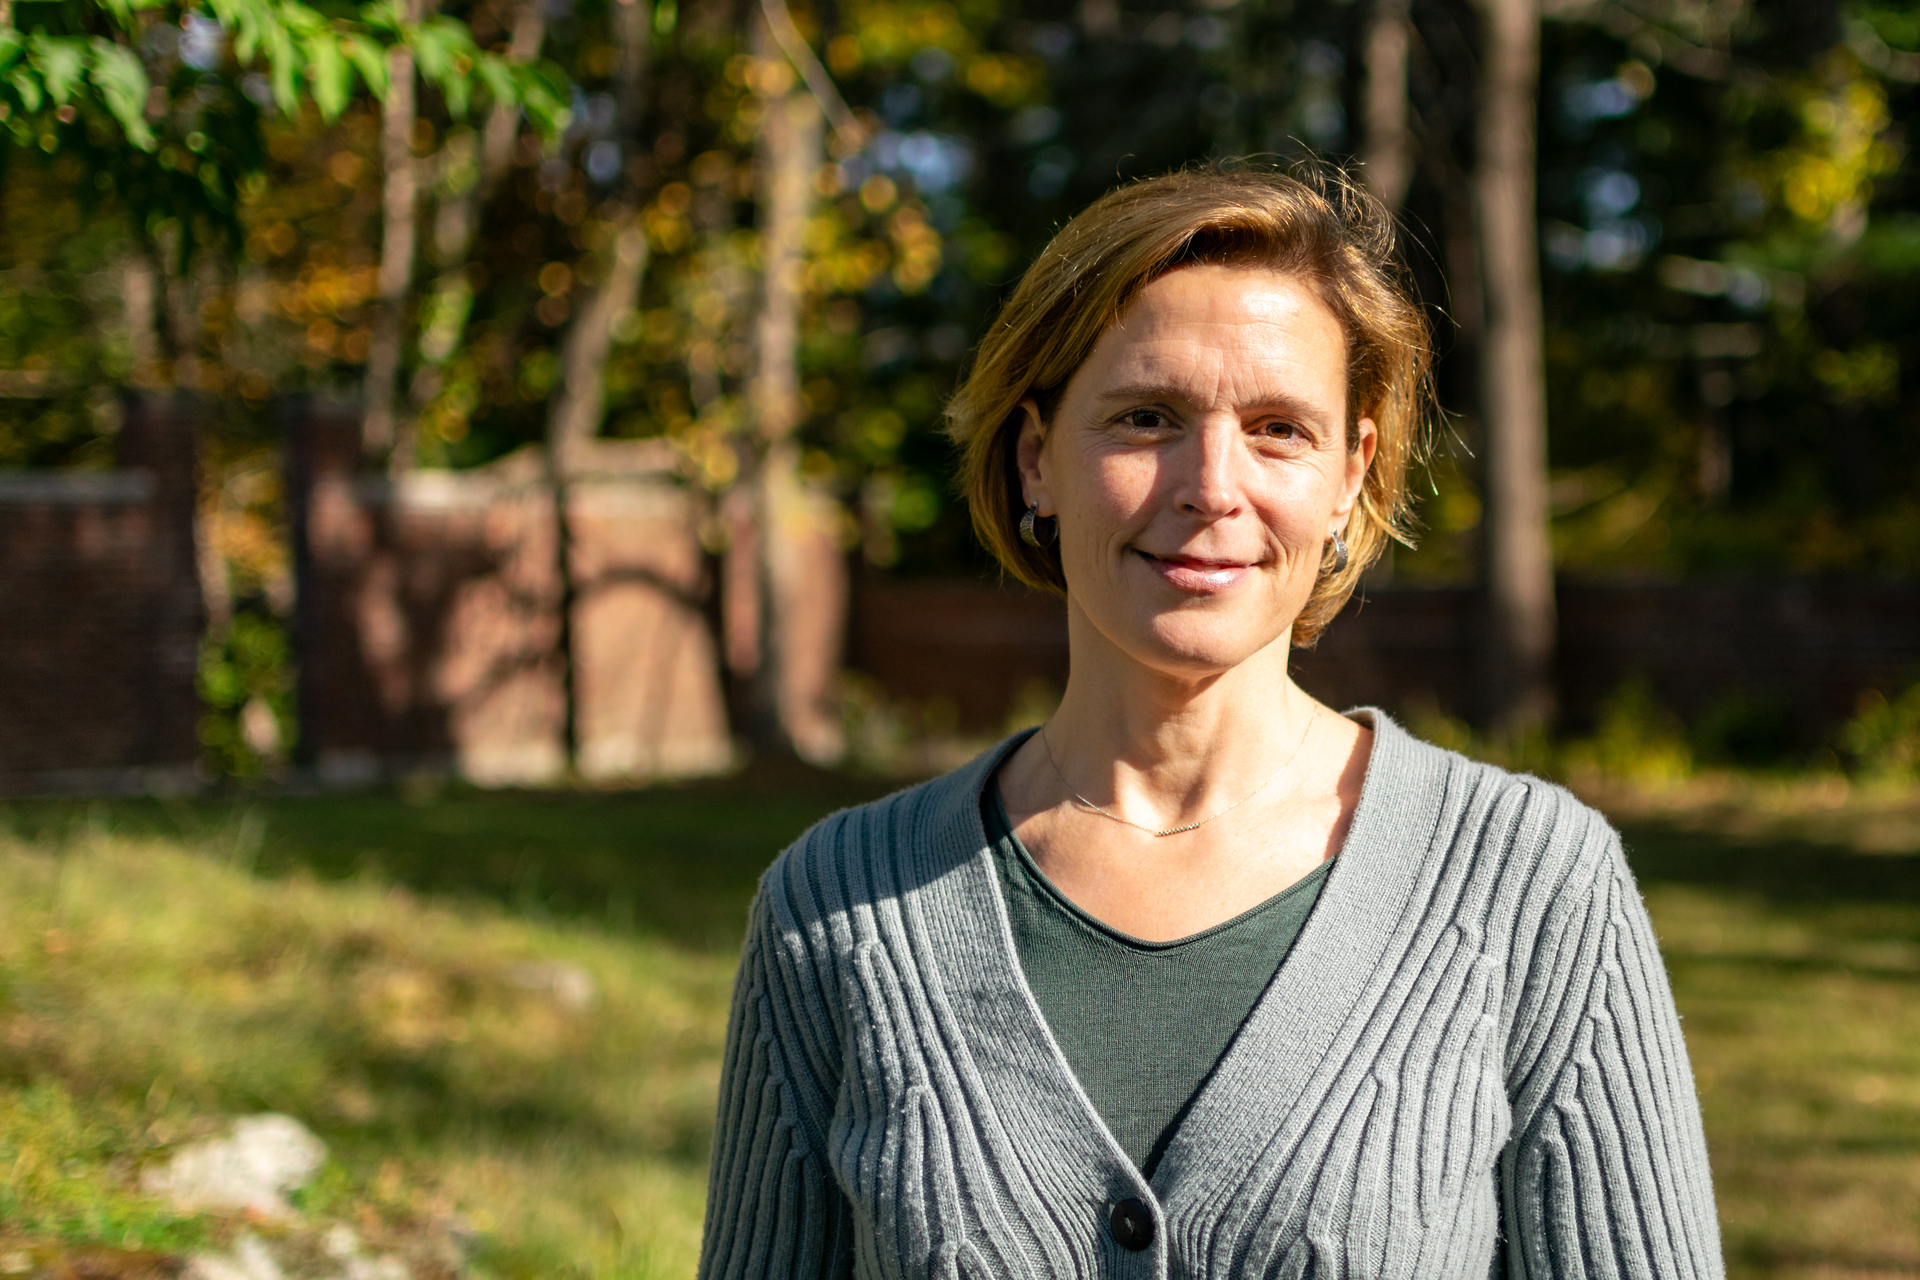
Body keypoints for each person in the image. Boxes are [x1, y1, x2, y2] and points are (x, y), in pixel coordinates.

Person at [698, 165, 1723, 1279]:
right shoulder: (839, 908)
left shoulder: (1529, 885)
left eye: (1279, 428)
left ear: (1349, 475)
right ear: (1037, 457)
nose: (1212, 486)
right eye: (1147, 417)